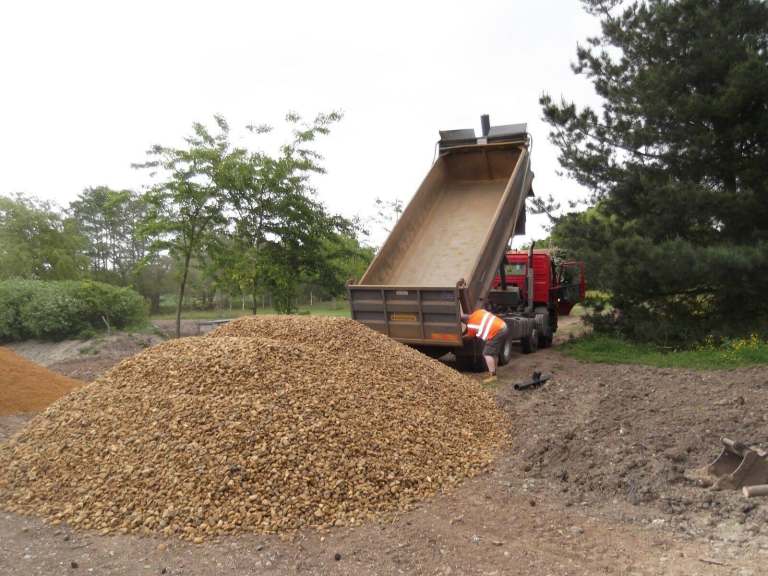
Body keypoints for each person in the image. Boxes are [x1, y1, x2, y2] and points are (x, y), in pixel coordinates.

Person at [460, 308, 508, 384]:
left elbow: (469, 336)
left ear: (465, 322)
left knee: (487, 353)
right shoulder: (478, 311)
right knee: (493, 353)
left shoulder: (471, 325)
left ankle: (493, 376)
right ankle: (493, 372)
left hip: (497, 331)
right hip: (502, 325)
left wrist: (460, 338)